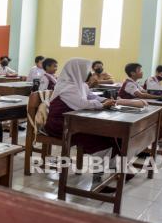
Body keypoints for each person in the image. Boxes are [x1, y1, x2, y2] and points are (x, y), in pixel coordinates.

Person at [44, 58, 126, 193]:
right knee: (100, 141)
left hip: (75, 122)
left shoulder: (81, 84)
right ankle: (98, 182)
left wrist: (105, 100)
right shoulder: (66, 86)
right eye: (85, 69)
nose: (88, 72)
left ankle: (113, 170)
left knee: (109, 136)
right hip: (60, 125)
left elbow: (91, 96)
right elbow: (82, 104)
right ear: (77, 70)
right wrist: (102, 105)